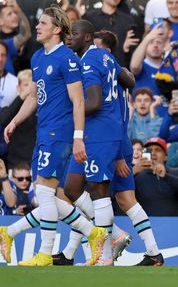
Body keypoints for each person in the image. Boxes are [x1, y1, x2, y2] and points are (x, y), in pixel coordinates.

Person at [0, 7, 107, 266]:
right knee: (48, 194)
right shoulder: (38, 57)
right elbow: (36, 96)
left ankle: (45, 253)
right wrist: (15, 120)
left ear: (57, 29)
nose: (37, 27)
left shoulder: (67, 59)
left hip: (60, 133)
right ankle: (94, 233)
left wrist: (79, 137)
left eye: (43, 23)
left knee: (46, 195)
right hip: (44, 131)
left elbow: (78, 100)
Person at [59, 19, 135, 266]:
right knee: (71, 188)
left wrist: (67, 109)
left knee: (98, 190)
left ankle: (104, 258)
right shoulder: (103, 56)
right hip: (96, 131)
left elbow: (93, 102)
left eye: (75, 33)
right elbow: (129, 81)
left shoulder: (90, 61)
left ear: (88, 37)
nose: (69, 37)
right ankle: (114, 234)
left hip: (101, 131)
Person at [134, 137, 178, 216]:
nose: (153, 153)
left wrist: (166, 176)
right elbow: (115, 195)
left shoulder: (176, 172)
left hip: (172, 225)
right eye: (149, 150)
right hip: (146, 226)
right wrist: (133, 172)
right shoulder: (137, 175)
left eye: (157, 150)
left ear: (166, 156)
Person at [0, 69, 36, 168]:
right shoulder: (10, 108)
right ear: (18, 88)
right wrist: (23, 96)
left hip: (35, 161)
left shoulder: (40, 108)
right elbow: (3, 119)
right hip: (15, 164)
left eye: (32, 85)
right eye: (26, 85)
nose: (29, 89)